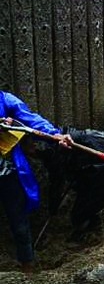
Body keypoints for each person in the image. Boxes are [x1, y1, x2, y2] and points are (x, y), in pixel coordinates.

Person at [0, 90, 72, 272]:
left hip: (8, 174)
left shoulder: (5, 100)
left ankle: (28, 270)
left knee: (19, 225)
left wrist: (55, 135)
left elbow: (30, 119)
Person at [37, 127, 104, 238]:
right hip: (92, 153)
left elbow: (56, 180)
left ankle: (86, 229)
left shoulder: (51, 146)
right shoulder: (50, 145)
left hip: (97, 155)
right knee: (84, 189)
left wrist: (54, 205)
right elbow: (56, 179)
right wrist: (54, 205)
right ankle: (91, 220)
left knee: (80, 212)